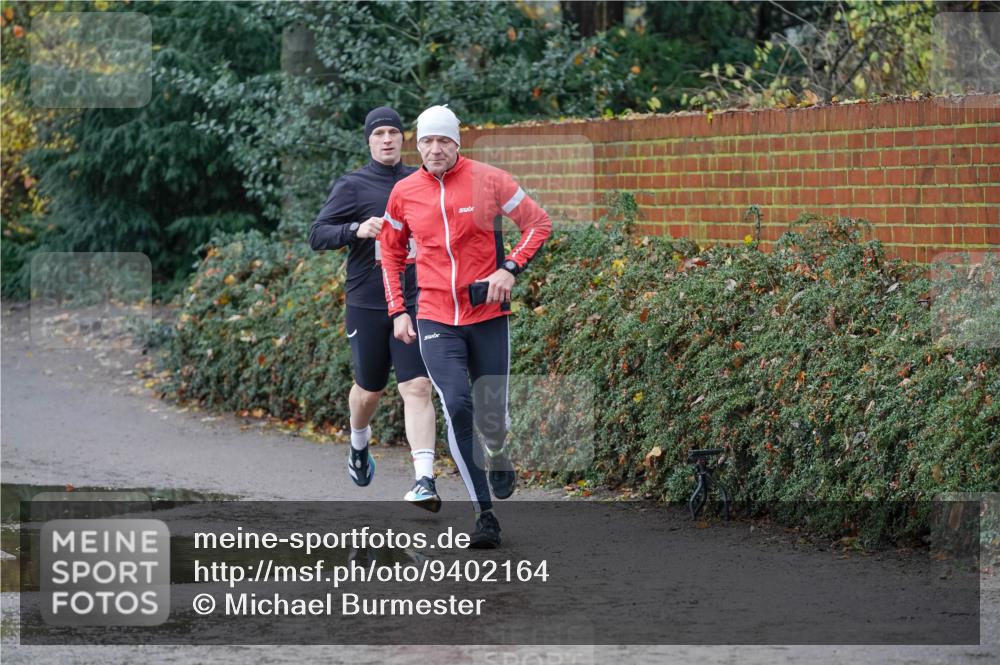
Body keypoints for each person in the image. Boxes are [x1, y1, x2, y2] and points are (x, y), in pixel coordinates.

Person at [379, 105, 551, 548]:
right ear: (417, 145)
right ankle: (484, 515)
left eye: (444, 141)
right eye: (427, 142)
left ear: (458, 143)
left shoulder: (490, 179)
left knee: (491, 416)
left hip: (488, 315)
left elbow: (538, 223)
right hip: (435, 316)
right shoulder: (403, 192)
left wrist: (510, 267)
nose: (435, 149)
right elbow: (392, 253)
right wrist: (398, 310)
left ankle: (496, 448)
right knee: (456, 404)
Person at [308, 106, 440, 512]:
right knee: (370, 390)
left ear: (404, 139)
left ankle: (424, 480)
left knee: (417, 386)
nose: (387, 139)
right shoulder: (353, 186)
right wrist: (355, 229)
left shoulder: (425, 181)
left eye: (393, 133)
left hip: (416, 299)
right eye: (379, 133)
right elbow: (317, 234)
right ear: (369, 140)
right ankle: (358, 443)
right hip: (367, 302)